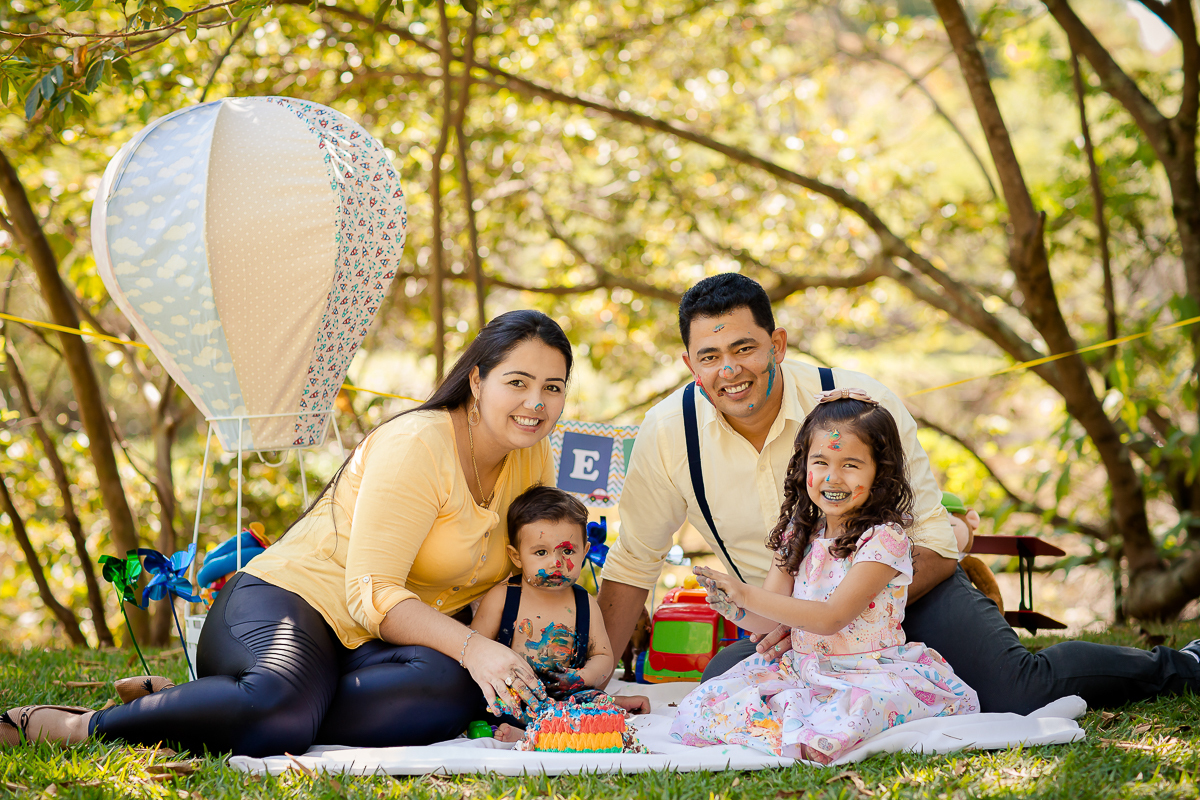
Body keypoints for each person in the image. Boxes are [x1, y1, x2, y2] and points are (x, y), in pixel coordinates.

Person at [599, 273, 1200, 714]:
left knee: (1019, 691)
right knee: (719, 692)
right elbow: (632, 564)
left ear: (777, 345)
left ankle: (1180, 665)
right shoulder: (668, 434)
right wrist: (596, 677)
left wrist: (858, 613)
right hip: (792, 626)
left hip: (910, 589)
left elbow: (937, 539)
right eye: (709, 356)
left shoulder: (860, 400)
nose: (729, 369)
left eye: (744, 349)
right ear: (689, 363)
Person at [2, 310, 573, 756]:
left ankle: (202, 706)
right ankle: (80, 726)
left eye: (553, 387)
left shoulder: (532, 458)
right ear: (476, 381)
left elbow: (534, 563)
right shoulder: (418, 444)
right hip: (291, 604)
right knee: (281, 715)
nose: (535, 402)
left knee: (451, 690)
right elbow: (371, 592)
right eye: (517, 381)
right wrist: (477, 648)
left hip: (382, 646)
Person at [670, 390, 978, 763]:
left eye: (851, 464)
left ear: (880, 472)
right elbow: (769, 621)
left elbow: (831, 617)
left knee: (844, 721)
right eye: (821, 462)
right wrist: (732, 606)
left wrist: (747, 594)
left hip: (865, 673)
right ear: (803, 468)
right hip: (802, 669)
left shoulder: (884, 540)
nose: (833, 477)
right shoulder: (798, 533)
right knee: (705, 704)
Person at [471, 485, 649, 742]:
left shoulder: (585, 603)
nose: (556, 562)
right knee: (497, 705)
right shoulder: (503, 597)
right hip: (514, 693)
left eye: (567, 551)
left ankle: (598, 711)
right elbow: (476, 646)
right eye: (541, 552)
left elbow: (603, 656)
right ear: (516, 556)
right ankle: (532, 731)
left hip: (567, 694)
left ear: (585, 551)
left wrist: (582, 677)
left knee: (594, 705)